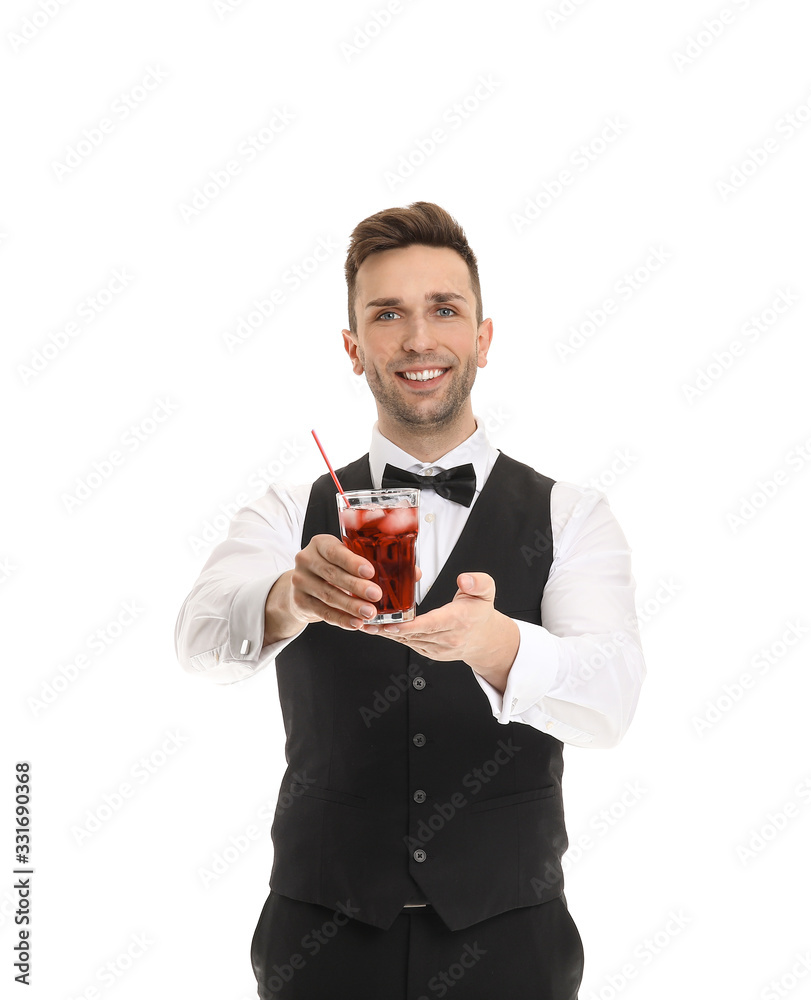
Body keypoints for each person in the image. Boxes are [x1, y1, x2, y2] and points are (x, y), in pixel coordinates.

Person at [174, 201, 646, 999]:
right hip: (319, 936)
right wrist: (290, 597)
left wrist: (493, 643)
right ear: (354, 348)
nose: (418, 339)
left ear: (482, 339)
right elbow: (197, 645)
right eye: (387, 314)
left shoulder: (571, 514)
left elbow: (611, 703)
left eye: (444, 310)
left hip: (512, 940)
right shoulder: (288, 511)